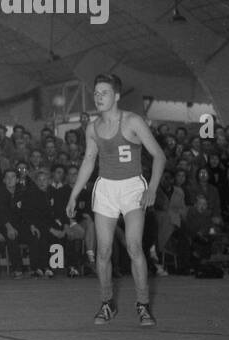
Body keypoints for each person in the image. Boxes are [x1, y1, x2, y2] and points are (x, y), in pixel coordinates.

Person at [66, 73, 165, 325]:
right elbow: (89, 162)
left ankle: (143, 305)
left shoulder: (133, 121)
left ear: (116, 96)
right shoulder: (92, 127)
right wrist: (74, 193)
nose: (98, 97)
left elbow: (159, 156)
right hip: (106, 189)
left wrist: (151, 188)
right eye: (96, 93)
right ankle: (107, 302)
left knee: (133, 246)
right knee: (104, 251)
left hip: (132, 187)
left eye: (104, 93)